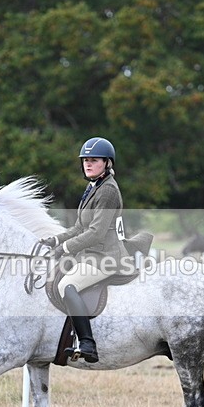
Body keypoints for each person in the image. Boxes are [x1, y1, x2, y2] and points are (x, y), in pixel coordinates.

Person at [39, 137, 132, 363]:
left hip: (106, 257)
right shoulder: (94, 187)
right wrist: (54, 240)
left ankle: (88, 343)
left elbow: (96, 232)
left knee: (66, 285)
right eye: (85, 160)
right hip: (91, 255)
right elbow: (80, 226)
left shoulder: (108, 191)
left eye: (94, 160)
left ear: (107, 163)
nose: (87, 164)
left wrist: (65, 248)